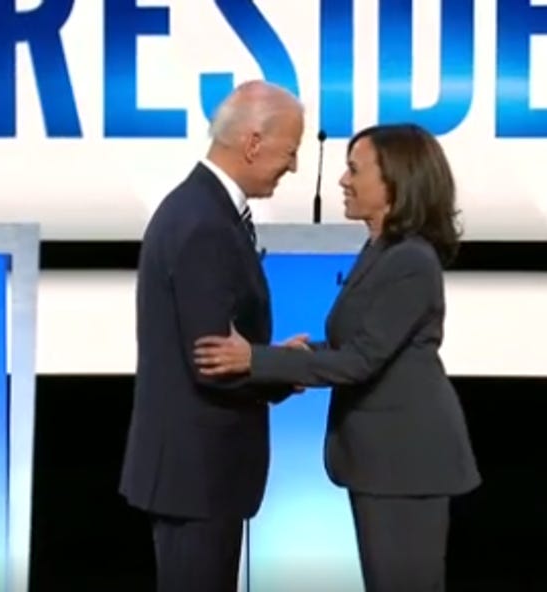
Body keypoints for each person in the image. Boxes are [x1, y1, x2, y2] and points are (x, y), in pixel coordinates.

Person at [192, 123, 482, 591]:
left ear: (396, 182)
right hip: (384, 463)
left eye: (355, 170)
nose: (343, 181)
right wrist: (286, 355)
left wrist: (256, 361)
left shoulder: (411, 260)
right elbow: (357, 346)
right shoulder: (382, 250)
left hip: (406, 464)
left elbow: (361, 360)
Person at [118, 80, 307, 592]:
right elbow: (212, 360)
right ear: (253, 142)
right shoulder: (204, 222)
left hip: (198, 475)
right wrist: (283, 368)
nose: (293, 166)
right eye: (290, 151)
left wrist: (268, 359)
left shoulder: (203, 209)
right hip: (197, 476)